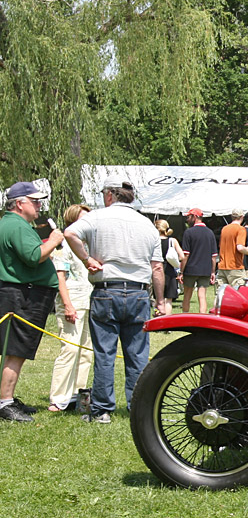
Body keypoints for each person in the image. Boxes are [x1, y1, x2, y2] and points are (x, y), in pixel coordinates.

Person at [64, 181, 165, 424]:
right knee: (138, 354)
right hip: (139, 292)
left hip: (106, 290)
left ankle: (102, 410)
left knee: (105, 352)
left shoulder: (97, 217)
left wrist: (87, 259)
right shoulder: (147, 225)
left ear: (110, 195)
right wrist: (161, 301)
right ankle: (138, 407)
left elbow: (69, 233)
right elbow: (158, 267)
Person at [0, 181, 64, 422]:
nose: (39, 206)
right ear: (19, 203)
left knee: (16, 350)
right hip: (24, 295)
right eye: (35, 201)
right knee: (15, 350)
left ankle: (6, 398)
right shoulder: (16, 225)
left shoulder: (13, 224)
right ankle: (5, 403)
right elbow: (34, 256)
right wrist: (53, 240)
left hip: (22, 293)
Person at [49, 204, 94, 412]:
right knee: (70, 349)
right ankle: (58, 398)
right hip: (72, 302)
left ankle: (78, 394)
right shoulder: (63, 247)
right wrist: (67, 305)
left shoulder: (88, 245)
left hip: (90, 301)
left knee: (86, 351)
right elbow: (60, 278)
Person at [178, 208, 218, 314]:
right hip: (205, 269)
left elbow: (186, 255)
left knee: (187, 294)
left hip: (190, 269)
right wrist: (213, 272)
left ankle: (184, 316)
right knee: (202, 296)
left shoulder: (188, 232)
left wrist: (181, 271)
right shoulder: (210, 233)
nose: (187, 220)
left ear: (194, 217)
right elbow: (213, 256)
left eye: (188, 217)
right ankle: (202, 318)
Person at [154, 219, 183, 316]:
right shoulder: (172, 241)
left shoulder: (154, 240)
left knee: (158, 298)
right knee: (169, 300)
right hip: (170, 271)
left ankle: (158, 319)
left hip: (157, 269)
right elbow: (182, 256)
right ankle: (167, 322)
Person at [217, 209, 248, 289]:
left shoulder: (224, 229)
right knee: (239, 294)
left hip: (222, 267)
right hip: (235, 267)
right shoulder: (241, 229)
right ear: (242, 217)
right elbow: (240, 247)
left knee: (221, 295)